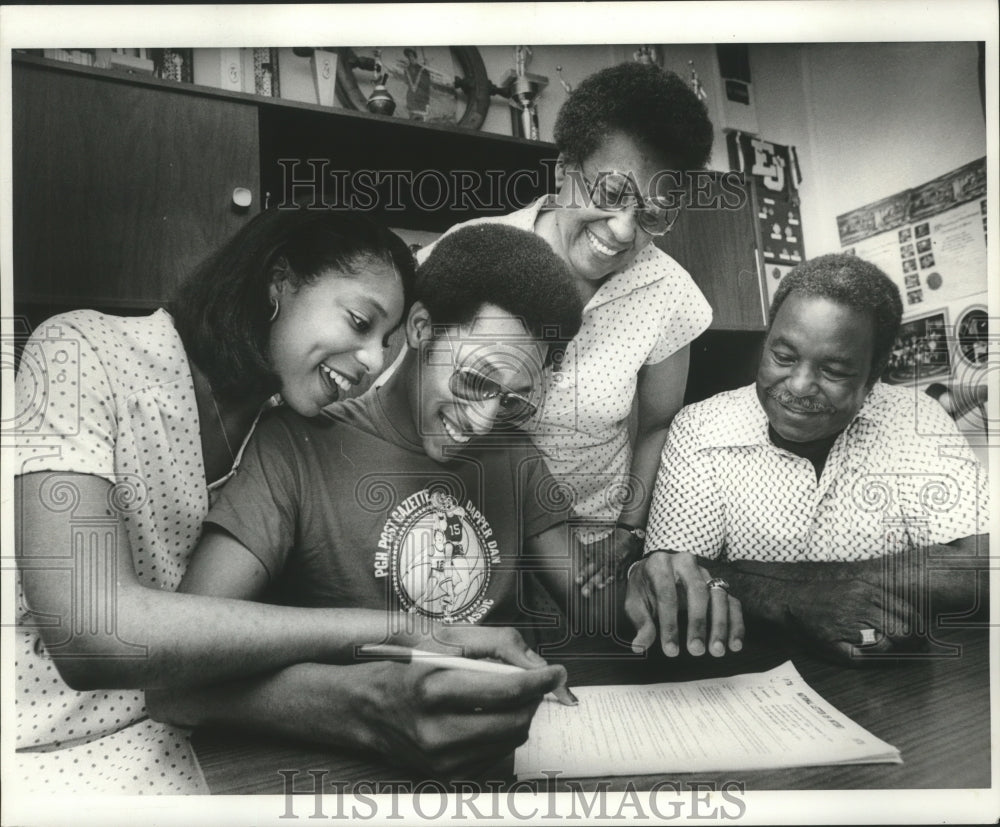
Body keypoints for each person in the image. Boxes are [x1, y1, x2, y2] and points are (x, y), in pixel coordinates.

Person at [146, 224, 586, 776]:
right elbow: (174, 681)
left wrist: (664, 580)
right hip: (338, 779)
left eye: (513, 401)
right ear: (422, 329)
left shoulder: (515, 456)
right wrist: (361, 705)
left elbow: (600, 597)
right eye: (476, 381)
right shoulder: (296, 443)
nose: (484, 421)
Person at [12, 208, 420, 793]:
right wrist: (391, 630)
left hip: (175, 730)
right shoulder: (81, 351)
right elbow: (90, 633)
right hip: (33, 741)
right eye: (360, 321)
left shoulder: (277, 431)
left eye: (387, 344)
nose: (374, 362)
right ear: (279, 281)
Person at [387, 61, 735, 657]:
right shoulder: (472, 252)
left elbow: (654, 426)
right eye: (610, 194)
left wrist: (627, 534)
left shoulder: (669, 295)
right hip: (459, 541)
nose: (625, 231)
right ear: (564, 169)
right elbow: (402, 392)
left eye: (651, 213)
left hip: (586, 557)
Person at [637, 253, 990, 664]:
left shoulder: (916, 419)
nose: (800, 386)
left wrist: (797, 590)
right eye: (783, 357)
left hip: (893, 680)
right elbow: (672, 579)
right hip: (745, 676)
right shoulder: (700, 428)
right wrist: (796, 600)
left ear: (873, 375)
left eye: (834, 370)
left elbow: (980, 566)